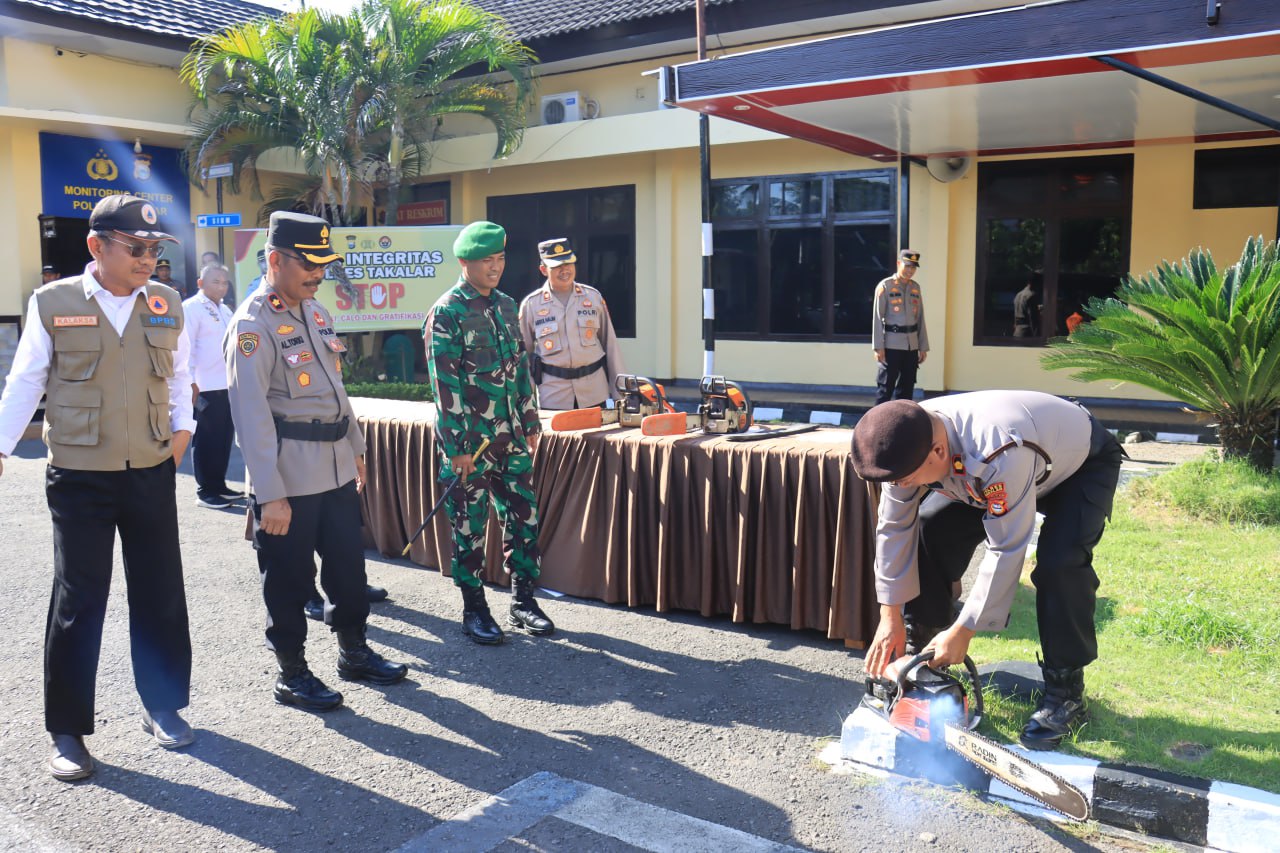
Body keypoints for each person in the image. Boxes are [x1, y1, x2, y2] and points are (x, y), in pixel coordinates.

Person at [0, 194, 197, 781]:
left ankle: (161, 706)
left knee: (159, 590)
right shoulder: (53, 302)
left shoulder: (165, 303)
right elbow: (26, 379)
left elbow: (181, 376)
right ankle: (68, 731)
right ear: (97, 246)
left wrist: (182, 432)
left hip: (150, 472)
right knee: (78, 599)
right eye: (135, 249)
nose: (147, 261)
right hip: (81, 476)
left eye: (155, 250)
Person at [850, 392, 1123, 750]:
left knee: (1060, 563)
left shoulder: (998, 449)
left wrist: (965, 629)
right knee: (931, 528)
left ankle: (1065, 692)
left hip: (1076, 468)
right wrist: (890, 616)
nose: (901, 486)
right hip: (992, 473)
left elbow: (1007, 546)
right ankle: (925, 656)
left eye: (906, 479)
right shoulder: (905, 442)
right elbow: (894, 528)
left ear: (938, 452)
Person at [226, 211, 406, 712]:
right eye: (309, 265)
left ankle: (354, 651)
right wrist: (269, 494)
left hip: (335, 467)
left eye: (324, 265)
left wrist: (357, 449)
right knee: (286, 579)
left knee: (348, 571)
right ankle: (293, 673)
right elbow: (250, 414)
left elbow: (336, 390)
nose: (318, 274)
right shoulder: (252, 324)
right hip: (289, 475)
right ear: (275, 259)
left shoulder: (317, 313)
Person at [425, 220, 554, 645]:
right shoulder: (447, 312)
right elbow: (445, 386)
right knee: (469, 525)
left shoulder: (504, 305)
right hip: (472, 444)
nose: (495, 267)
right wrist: (457, 448)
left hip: (511, 437)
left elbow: (519, 370)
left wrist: (530, 421)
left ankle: (523, 601)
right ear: (465, 263)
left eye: (499, 259)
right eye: (486, 261)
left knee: (523, 516)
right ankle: (474, 608)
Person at [517, 238, 626, 410]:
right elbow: (523, 357)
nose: (565, 269)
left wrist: (620, 395)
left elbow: (611, 346)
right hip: (553, 397)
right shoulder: (531, 305)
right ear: (543, 270)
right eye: (557, 266)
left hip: (594, 393)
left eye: (568, 263)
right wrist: (528, 403)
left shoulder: (593, 297)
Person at [182, 263, 241, 508]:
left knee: (223, 437)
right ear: (200, 283)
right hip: (203, 386)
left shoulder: (226, 309)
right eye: (215, 281)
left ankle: (219, 485)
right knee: (206, 439)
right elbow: (185, 348)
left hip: (226, 384)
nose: (221, 286)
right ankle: (205, 491)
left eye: (224, 282)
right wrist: (190, 382)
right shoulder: (191, 309)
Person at [871, 249, 929, 405]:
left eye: (913, 267)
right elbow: (877, 318)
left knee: (907, 389)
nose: (910, 270)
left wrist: (922, 346)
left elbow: (920, 318)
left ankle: (902, 425)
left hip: (911, 346)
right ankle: (878, 426)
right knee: (885, 388)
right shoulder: (885, 286)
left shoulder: (916, 288)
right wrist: (878, 347)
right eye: (907, 266)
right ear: (898, 264)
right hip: (891, 345)